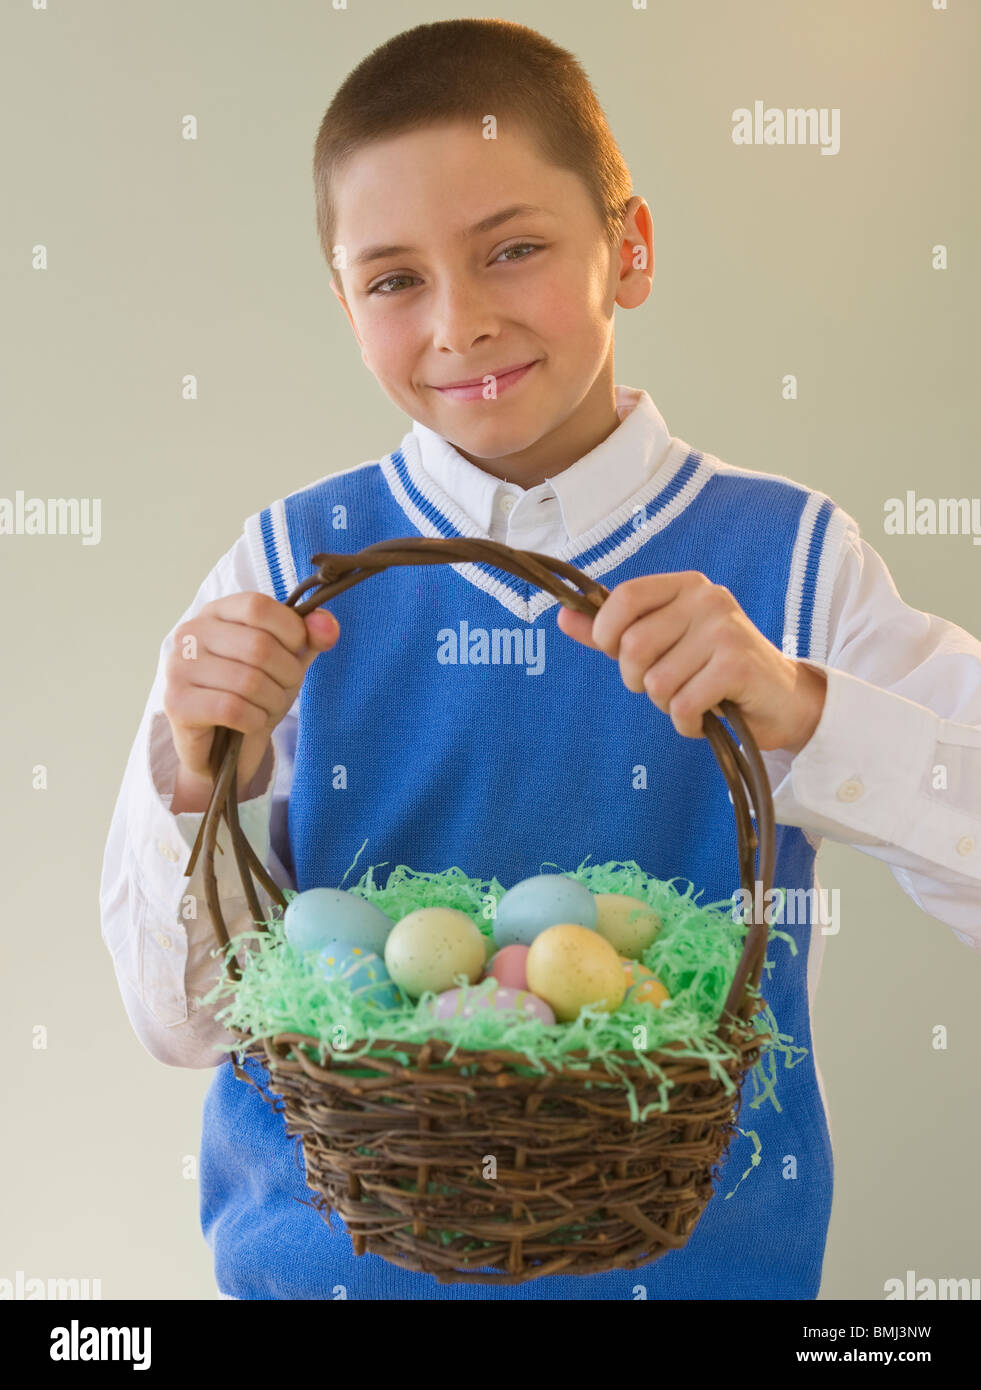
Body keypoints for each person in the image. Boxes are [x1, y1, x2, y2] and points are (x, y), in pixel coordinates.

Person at [100, 19, 981, 1300]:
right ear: (344, 303)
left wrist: (803, 712)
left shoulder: (790, 560)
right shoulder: (284, 566)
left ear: (629, 249)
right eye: (395, 279)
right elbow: (177, 1023)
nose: (459, 324)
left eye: (513, 248)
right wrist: (199, 783)